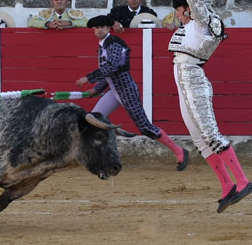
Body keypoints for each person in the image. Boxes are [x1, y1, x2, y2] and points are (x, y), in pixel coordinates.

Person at [170, 0, 252, 213]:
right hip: (184, 83)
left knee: (210, 135)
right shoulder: (197, 22)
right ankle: (227, 185)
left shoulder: (200, 21)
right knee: (200, 139)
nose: (177, 15)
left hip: (194, 80)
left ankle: (243, 181)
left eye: (178, 10)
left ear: (184, 8)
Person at [76, 14, 189, 171]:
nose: (99, 30)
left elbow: (111, 67)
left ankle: (179, 151)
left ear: (109, 28)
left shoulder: (113, 43)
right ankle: (99, 157)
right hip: (114, 90)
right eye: (96, 27)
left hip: (126, 90)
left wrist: (89, 78)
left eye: (102, 27)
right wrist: (97, 89)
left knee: (144, 126)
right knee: (94, 120)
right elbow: (107, 73)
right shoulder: (103, 45)